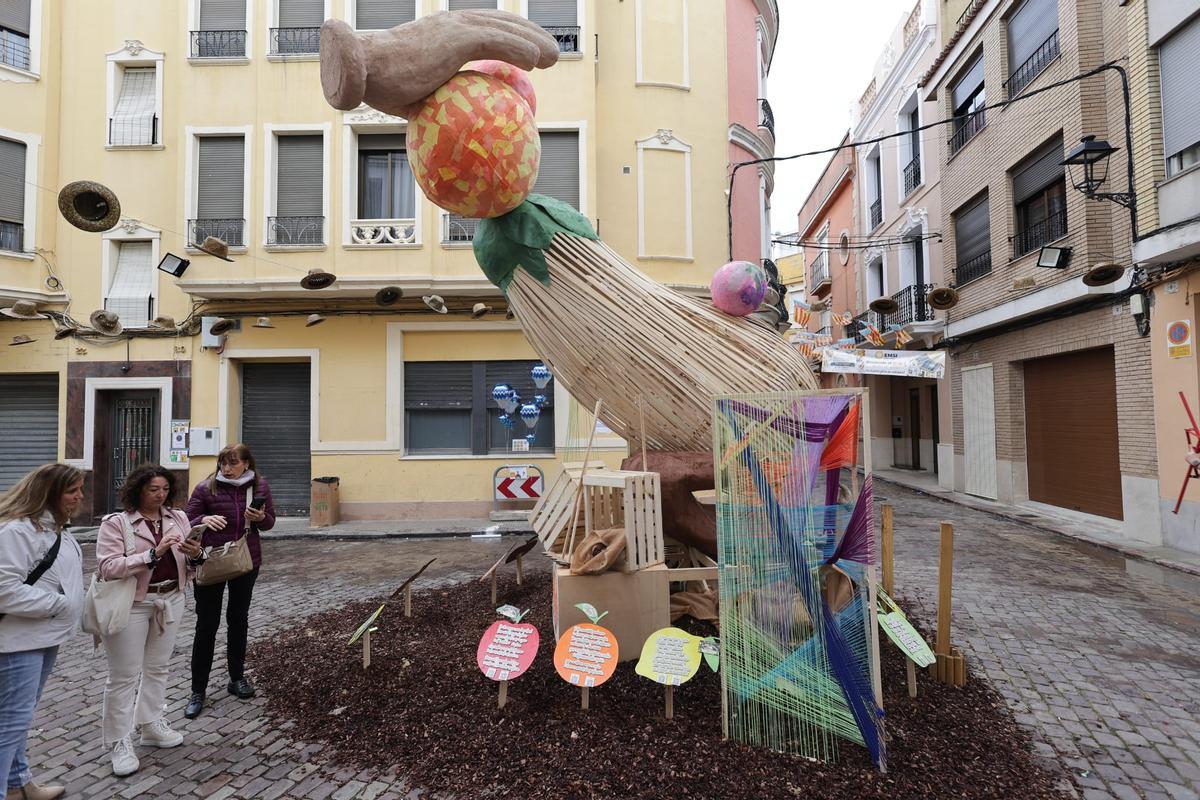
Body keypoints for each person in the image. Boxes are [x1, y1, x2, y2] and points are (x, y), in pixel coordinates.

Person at [96, 464, 202, 778]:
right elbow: (108, 567)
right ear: (138, 490)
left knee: (158, 667)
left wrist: (196, 553)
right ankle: (119, 741)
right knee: (124, 676)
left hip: (171, 598)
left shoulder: (178, 518)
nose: (160, 495)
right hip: (132, 604)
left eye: (165, 489)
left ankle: (150, 723)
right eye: (153, 489)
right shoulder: (117, 523)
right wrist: (152, 555)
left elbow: (191, 562)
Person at [0, 464, 86, 800]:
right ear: (48, 493)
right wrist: (60, 604)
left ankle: (18, 784)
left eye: (80, 490)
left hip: (44, 635)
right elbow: (4, 589)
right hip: (17, 640)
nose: (79, 497)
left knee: (18, 719)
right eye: (71, 491)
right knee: (10, 723)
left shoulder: (53, 529)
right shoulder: (17, 531)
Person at [183, 444, 275, 719]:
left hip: (244, 561)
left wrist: (261, 517)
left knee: (238, 619)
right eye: (223, 463)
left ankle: (237, 678)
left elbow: (269, 523)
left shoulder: (259, 486)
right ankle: (197, 690)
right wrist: (204, 518)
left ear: (246, 463)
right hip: (209, 560)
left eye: (233, 463)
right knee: (206, 624)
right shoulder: (205, 488)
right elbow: (185, 520)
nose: (227, 468)